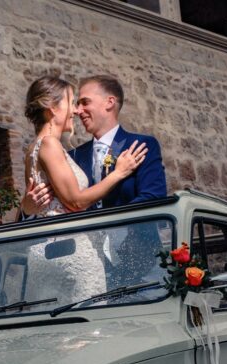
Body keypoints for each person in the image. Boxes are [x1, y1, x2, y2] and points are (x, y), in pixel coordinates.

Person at [20, 76, 147, 303]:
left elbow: (36, 203)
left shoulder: (33, 149)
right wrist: (118, 173)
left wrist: (26, 205)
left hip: (43, 254)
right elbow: (76, 202)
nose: (76, 111)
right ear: (52, 108)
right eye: (71, 103)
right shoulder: (49, 144)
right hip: (70, 252)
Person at [23, 74, 167, 216]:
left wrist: (115, 230)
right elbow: (65, 202)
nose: (78, 110)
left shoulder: (140, 145)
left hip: (133, 237)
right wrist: (27, 208)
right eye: (75, 103)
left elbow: (153, 199)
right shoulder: (72, 155)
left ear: (110, 102)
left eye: (85, 102)